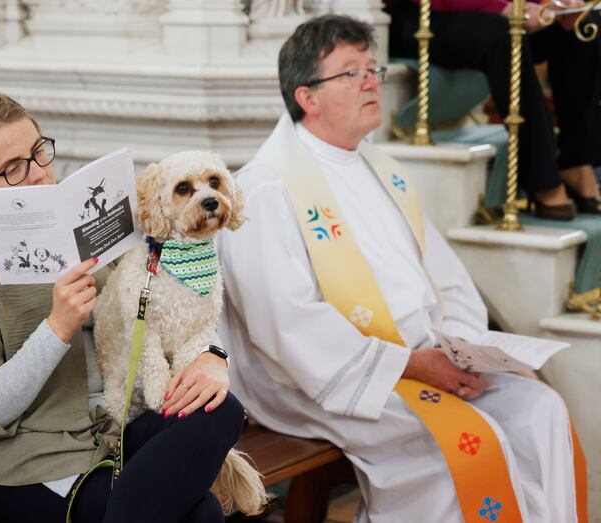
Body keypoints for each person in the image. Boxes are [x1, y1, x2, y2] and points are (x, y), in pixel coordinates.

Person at [218, 15, 586, 522]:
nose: (372, 81)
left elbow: (448, 279)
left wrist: (459, 347)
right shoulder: (264, 189)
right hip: (328, 378)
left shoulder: (382, 167)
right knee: (472, 444)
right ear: (308, 97)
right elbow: (286, 325)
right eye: (352, 72)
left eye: (373, 68)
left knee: (541, 411)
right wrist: (410, 364)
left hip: (424, 358)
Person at [0, 91, 243, 523]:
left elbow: (160, 300)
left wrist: (213, 355)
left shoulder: (76, 218)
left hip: (110, 431)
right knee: (199, 513)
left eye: (39, 152)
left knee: (222, 411)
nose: (41, 176)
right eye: (13, 169)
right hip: (24, 467)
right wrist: (57, 328)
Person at [385, 0, 601, 220]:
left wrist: (551, 5)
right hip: (416, 16)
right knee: (504, 34)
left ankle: (577, 162)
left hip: (486, 10)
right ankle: (543, 178)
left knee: (582, 26)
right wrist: (504, 8)